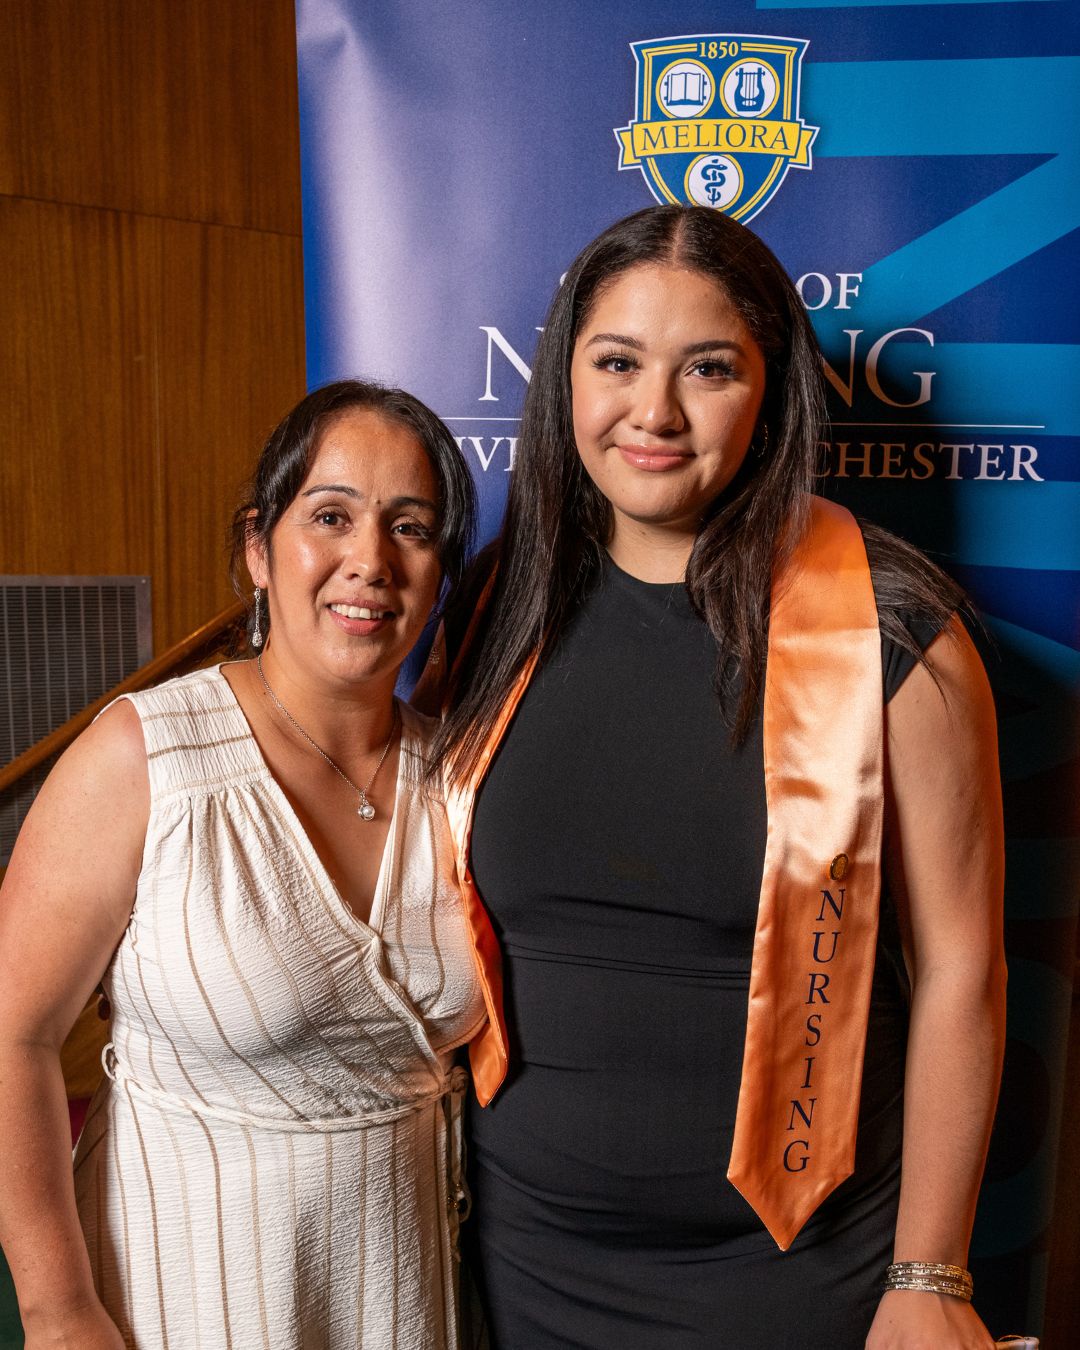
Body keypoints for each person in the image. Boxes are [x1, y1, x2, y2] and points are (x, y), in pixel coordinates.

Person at [422, 206, 1006, 1350]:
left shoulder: (899, 635)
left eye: (710, 369)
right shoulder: (495, 606)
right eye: (618, 362)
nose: (655, 412)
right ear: (565, 382)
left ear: (771, 394)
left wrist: (931, 1277)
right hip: (520, 1261)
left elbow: (962, 974)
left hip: (802, 1275)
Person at [0, 379, 488, 1349]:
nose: (369, 561)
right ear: (260, 549)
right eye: (332, 517)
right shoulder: (145, 754)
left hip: (401, 1290)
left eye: (411, 528)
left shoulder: (465, 773)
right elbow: (9, 1037)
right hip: (179, 1292)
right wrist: (59, 1312)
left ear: (442, 572)